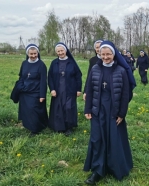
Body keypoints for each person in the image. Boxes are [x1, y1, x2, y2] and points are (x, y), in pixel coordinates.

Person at [84, 40, 135, 185]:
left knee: (114, 139)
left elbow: (125, 95)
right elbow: (89, 90)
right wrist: (88, 109)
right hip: (97, 110)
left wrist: (122, 114)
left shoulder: (121, 71)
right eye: (102, 54)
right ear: (98, 54)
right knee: (97, 139)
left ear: (114, 54)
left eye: (108, 54)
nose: (105, 57)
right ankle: (98, 170)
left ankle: (115, 167)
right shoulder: (95, 69)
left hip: (114, 111)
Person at [10, 44, 48, 136]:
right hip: (24, 91)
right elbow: (21, 76)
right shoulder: (24, 63)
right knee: (26, 110)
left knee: (33, 110)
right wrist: (21, 86)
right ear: (27, 54)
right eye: (31, 54)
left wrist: (42, 95)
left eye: (35, 53)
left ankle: (35, 129)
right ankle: (27, 125)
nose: (33, 56)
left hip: (35, 92)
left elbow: (43, 81)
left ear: (37, 53)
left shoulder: (41, 65)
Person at [48, 42, 82, 136]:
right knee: (58, 108)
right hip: (58, 90)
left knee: (68, 108)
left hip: (70, 89)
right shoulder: (54, 63)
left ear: (65, 50)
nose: (60, 53)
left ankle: (69, 128)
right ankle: (58, 127)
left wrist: (78, 89)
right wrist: (52, 89)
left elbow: (78, 76)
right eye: (58, 51)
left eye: (61, 50)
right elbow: (50, 76)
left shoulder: (72, 62)